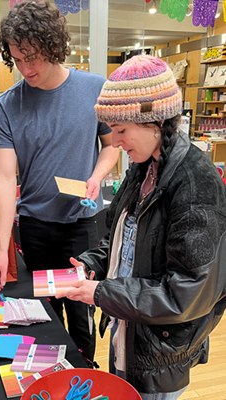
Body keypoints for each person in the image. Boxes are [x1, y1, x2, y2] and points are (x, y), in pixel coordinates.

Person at [58, 55, 226, 399]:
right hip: (129, 330)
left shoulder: (196, 185)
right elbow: (124, 239)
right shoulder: (143, 166)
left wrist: (101, 294)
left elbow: (185, 294)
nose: (115, 142)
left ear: (155, 122)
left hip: (159, 350)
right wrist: (94, 263)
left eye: (121, 130)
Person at [0, 0, 120, 365]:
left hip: (82, 223)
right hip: (35, 226)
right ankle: (50, 373)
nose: (25, 68)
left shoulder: (95, 89)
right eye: (17, 59)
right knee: (42, 312)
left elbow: (112, 148)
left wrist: (96, 175)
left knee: (81, 313)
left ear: (53, 47)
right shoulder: (6, 106)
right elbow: (4, 177)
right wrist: (1, 249)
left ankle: (84, 373)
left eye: (33, 57)